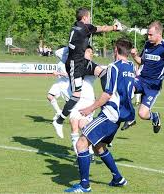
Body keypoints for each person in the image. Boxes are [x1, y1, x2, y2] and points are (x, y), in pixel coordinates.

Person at [64, 38, 135, 193]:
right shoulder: (131, 66)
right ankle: (118, 178)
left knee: (81, 144)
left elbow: (107, 93)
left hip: (109, 115)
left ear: (116, 50)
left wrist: (90, 108)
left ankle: (84, 186)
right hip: (119, 116)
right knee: (99, 146)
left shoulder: (113, 67)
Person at [53, 7, 123, 135]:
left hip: (82, 62)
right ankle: (59, 120)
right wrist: (115, 27)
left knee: (103, 73)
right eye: (89, 17)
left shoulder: (75, 26)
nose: (90, 19)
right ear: (84, 18)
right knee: (76, 96)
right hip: (75, 65)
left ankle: (107, 98)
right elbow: (102, 28)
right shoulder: (85, 27)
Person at [122, 21, 164, 133]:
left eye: (150, 35)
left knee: (143, 114)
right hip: (141, 79)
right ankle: (130, 118)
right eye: (148, 34)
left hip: (153, 86)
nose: (148, 36)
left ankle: (154, 117)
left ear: (159, 34)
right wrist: (134, 55)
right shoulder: (147, 44)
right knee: (126, 89)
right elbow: (141, 62)